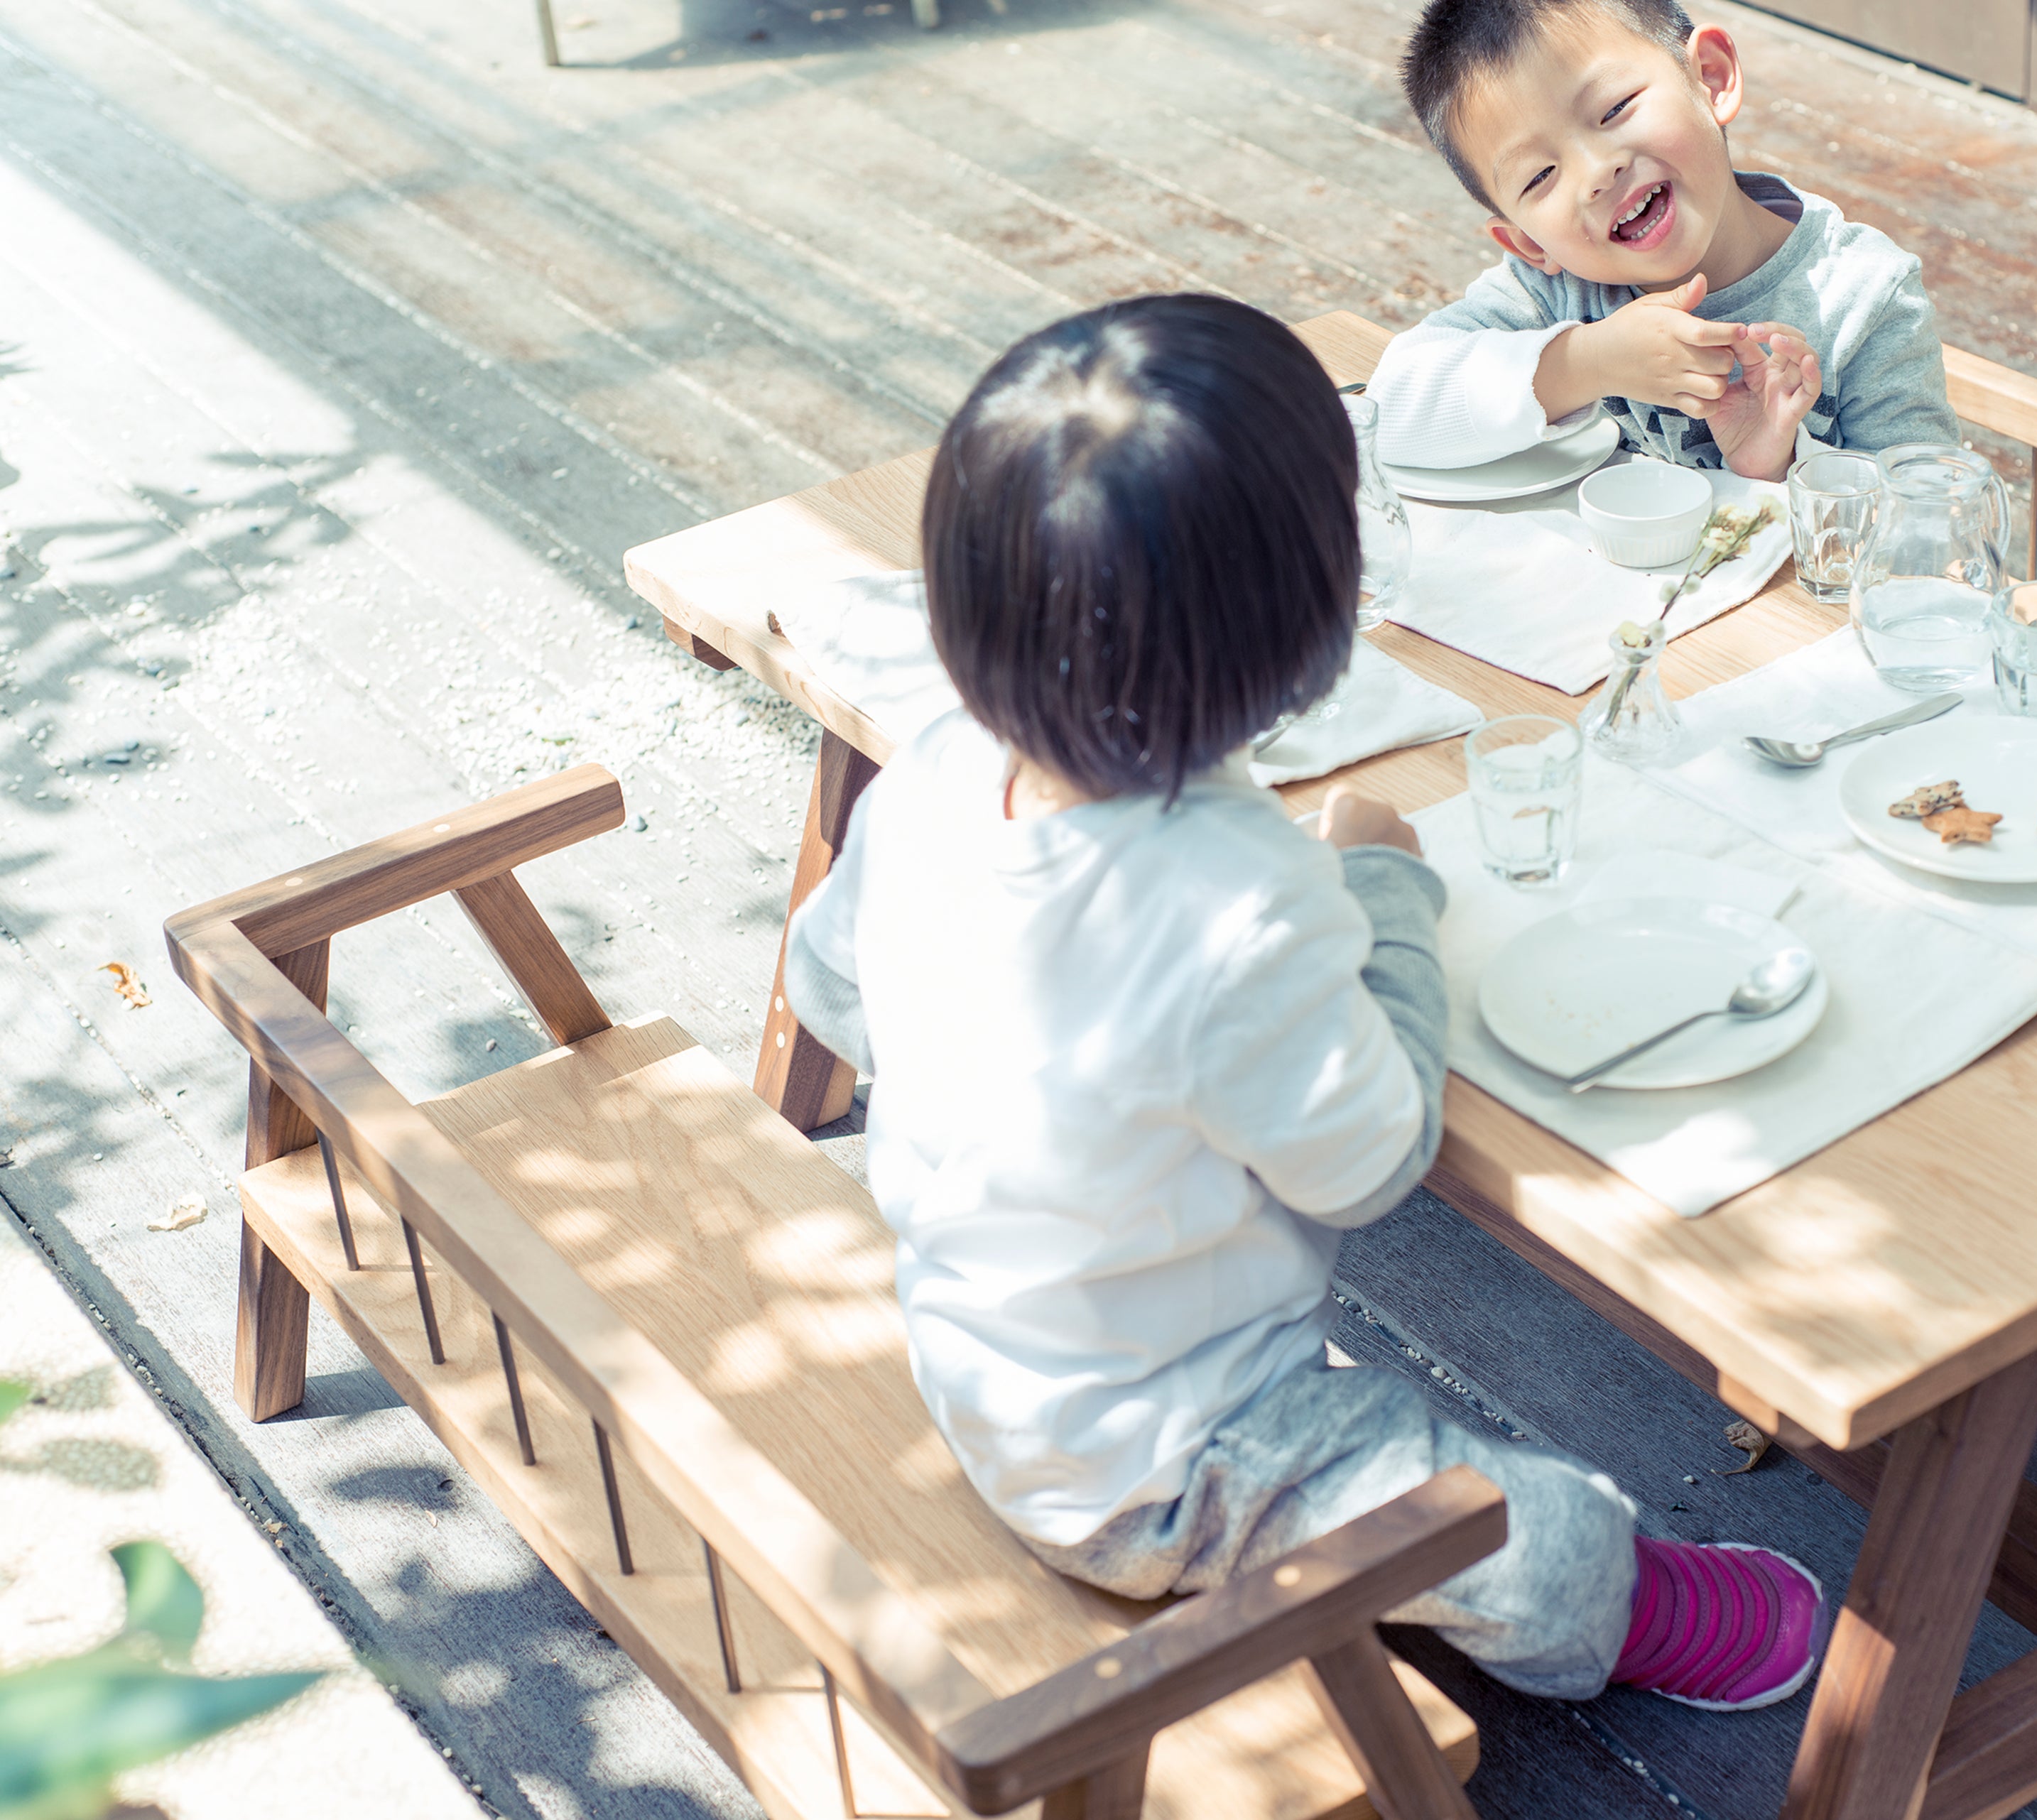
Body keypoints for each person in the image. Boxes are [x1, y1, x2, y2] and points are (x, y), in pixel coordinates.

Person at [778, 294, 1830, 1706]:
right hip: (1166, 1462)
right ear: (1300, 629)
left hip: (980, 1347)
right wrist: (1384, 892)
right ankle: (1621, 1610)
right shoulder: (1242, 894)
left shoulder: (937, 771)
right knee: (1535, 1530)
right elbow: (1370, 1162)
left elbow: (828, 983)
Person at [1366, 0, 1957, 480]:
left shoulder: (1863, 296)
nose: (1597, 173)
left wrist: (1779, 468)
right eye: (1541, 175)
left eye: (1614, 108)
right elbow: (1386, 410)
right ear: (1528, 243)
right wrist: (1589, 363)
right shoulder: (1555, 292)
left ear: (1710, 78)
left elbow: (1928, 527)